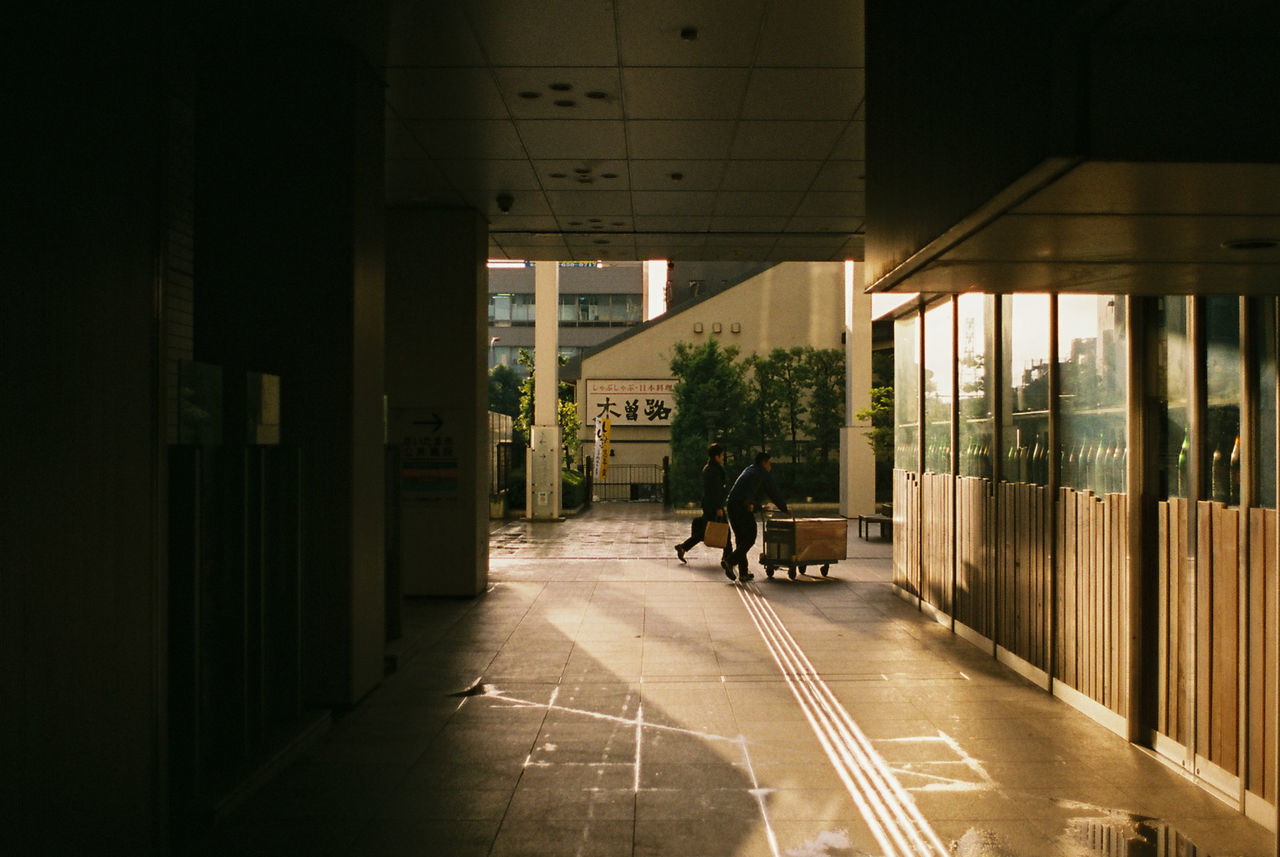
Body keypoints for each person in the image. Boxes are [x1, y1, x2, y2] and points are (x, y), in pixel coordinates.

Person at [724, 451, 789, 582]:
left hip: (732, 506)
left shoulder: (750, 469)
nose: (770, 466)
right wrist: (785, 508)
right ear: (764, 463)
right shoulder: (762, 473)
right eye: (769, 463)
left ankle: (743, 572)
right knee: (750, 537)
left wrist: (759, 507)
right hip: (741, 508)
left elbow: (746, 492)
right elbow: (773, 492)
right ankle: (730, 561)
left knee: (741, 539)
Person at [674, 442, 733, 568]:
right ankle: (728, 558)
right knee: (725, 531)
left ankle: (684, 547)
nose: (723, 458)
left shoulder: (708, 468)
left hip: (709, 504)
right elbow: (715, 490)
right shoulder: (714, 470)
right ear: (716, 456)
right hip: (714, 505)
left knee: (706, 531)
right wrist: (718, 507)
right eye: (722, 455)